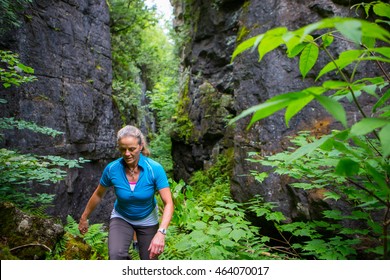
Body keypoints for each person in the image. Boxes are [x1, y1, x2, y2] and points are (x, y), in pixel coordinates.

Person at [78, 125, 174, 260]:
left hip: (148, 220)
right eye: (123, 149)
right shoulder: (112, 169)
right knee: (116, 256)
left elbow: (168, 203)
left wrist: (161, 232)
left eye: (132, 149)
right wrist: (84, 217)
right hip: (122, 217)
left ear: (140, 146)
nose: (127, 153)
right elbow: (98, 194)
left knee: (149, 260)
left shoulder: (154, 169)